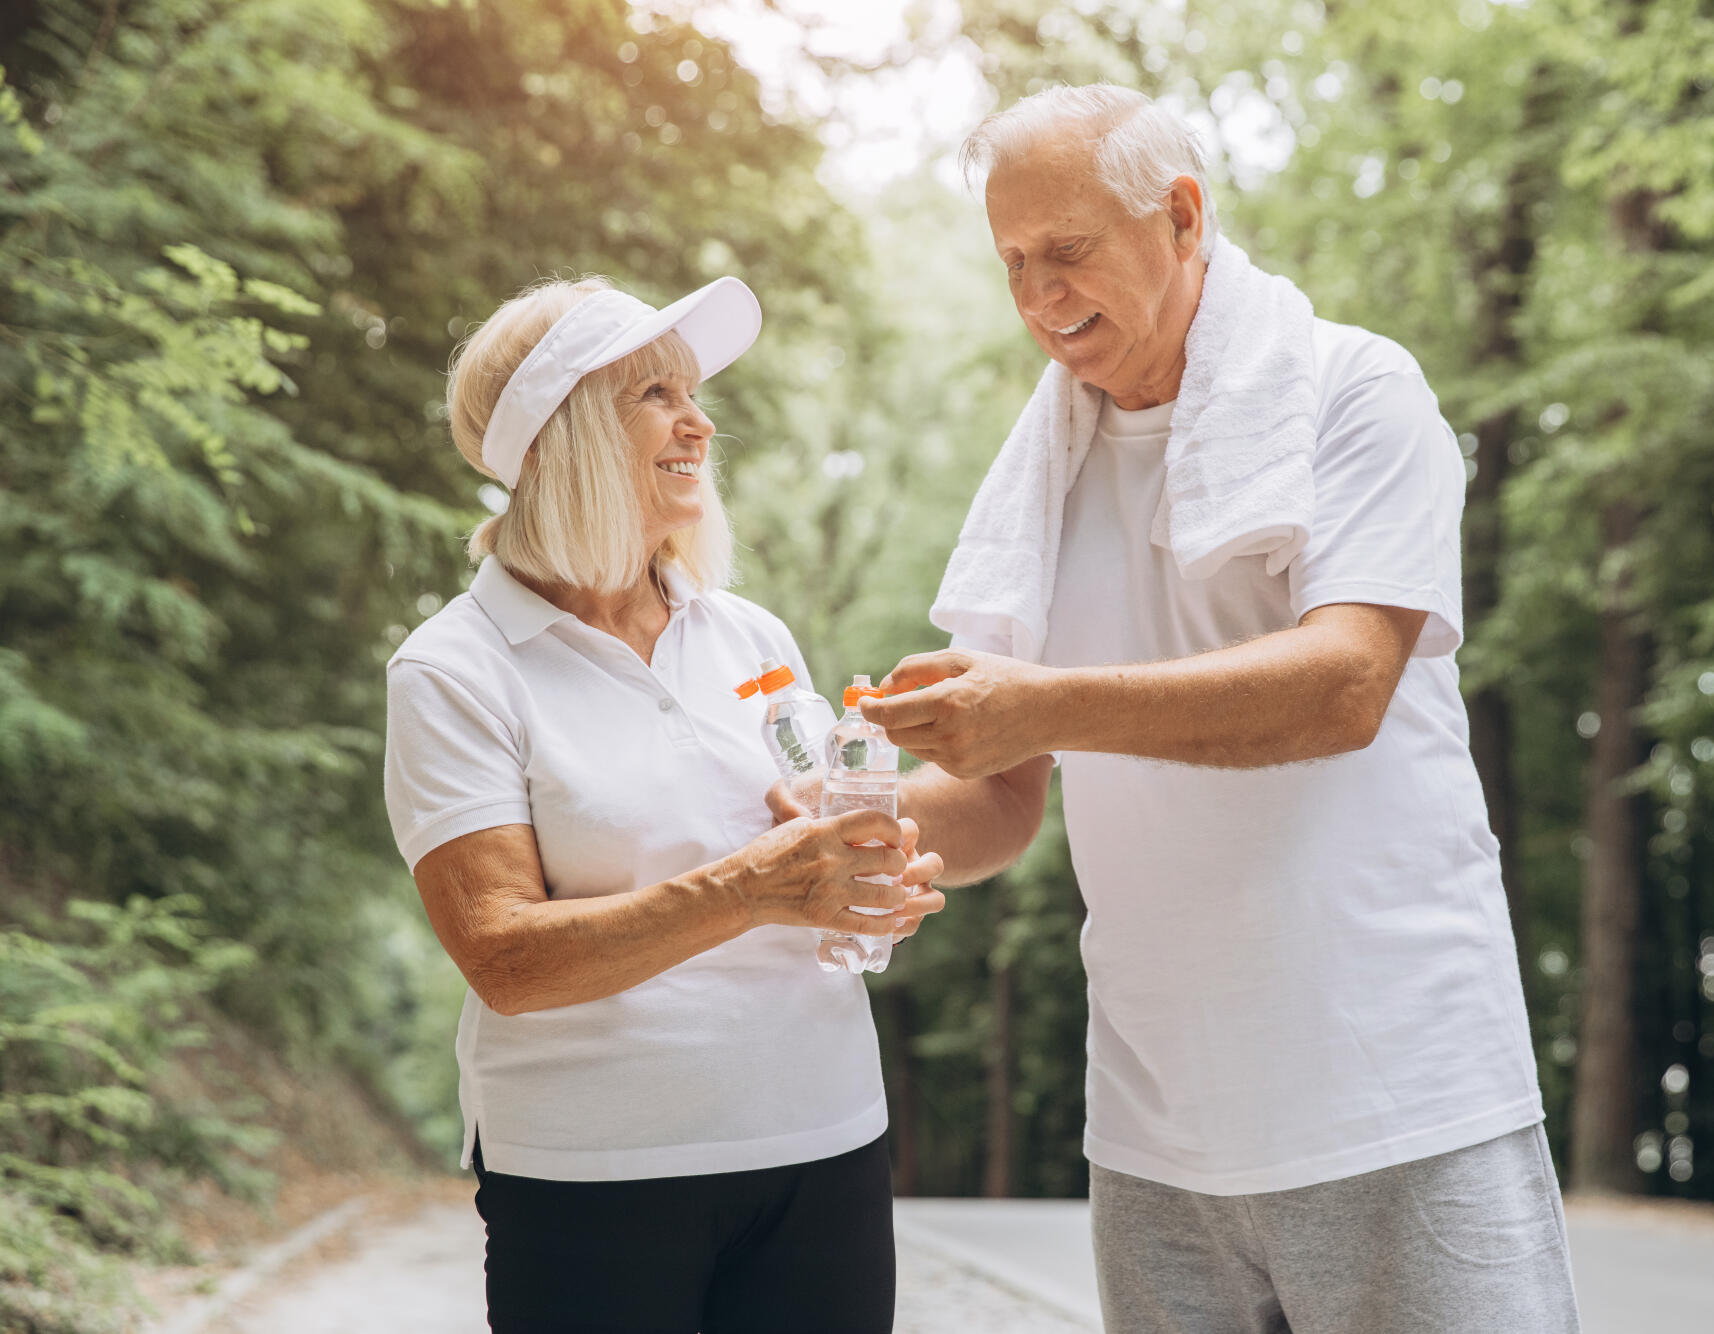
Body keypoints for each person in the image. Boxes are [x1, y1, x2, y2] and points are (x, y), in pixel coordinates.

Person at [863, 86, 1582, 1333]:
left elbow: (1343, 682)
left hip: (1392, 1093)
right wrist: (849, 830)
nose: (1039, 297)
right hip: (1155, 1131)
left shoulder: (1355, 391)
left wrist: (1041, 703)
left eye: (1069, 251)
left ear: (1182, 217)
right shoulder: (1037, 478)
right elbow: (995, 797)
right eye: (1015, 262)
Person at [381, 274, 943, 1334]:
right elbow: (505, 957)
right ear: (561, 436)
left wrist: (868, 881)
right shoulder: (452, 669)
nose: (699, 420)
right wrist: (757, 884)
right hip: (597, 1176)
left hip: (825, 1142)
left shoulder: (750, 636)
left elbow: (814, 836)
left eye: (691, 391)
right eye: (654, 393)